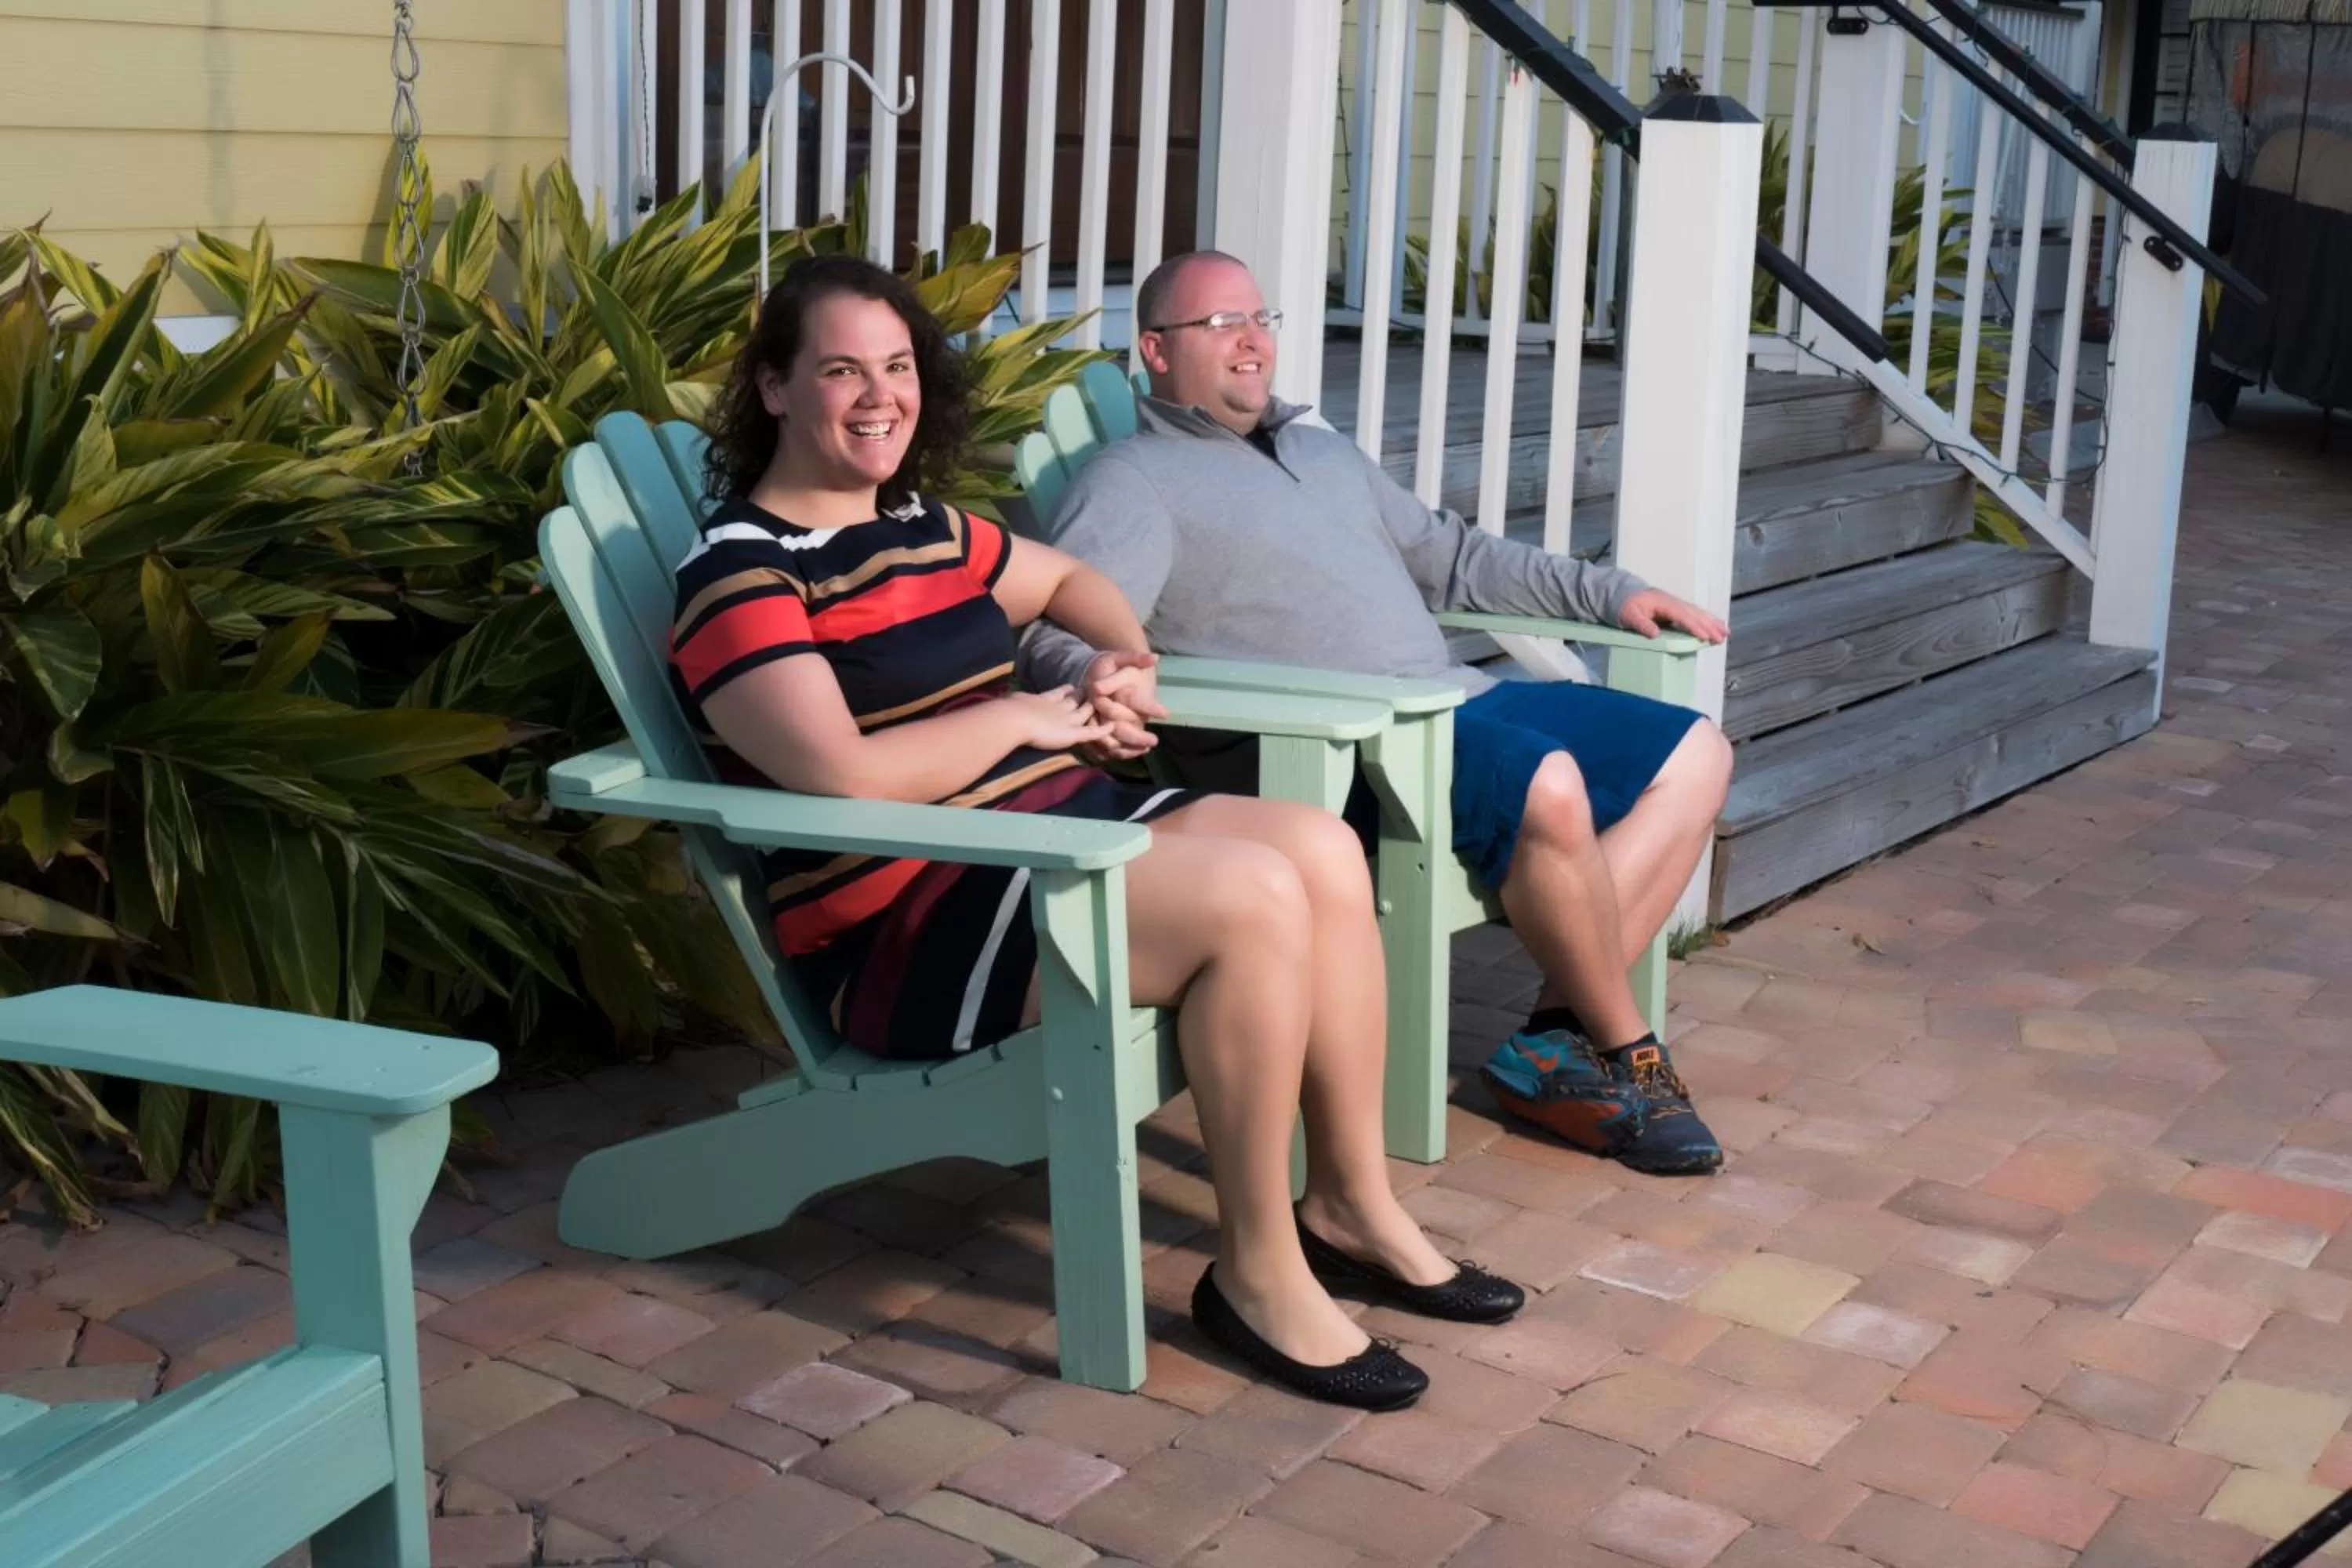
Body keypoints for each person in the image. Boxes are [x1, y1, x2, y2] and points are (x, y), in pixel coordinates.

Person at [675, 255, 1524, 1410]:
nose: (880, 395)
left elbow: (1072, 580)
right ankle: (1260, 1273)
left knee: (1322, 849)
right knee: (1254, 900)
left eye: (897, 366)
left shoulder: (921, 526)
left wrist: (1119, 668)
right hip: (907, 921)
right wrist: (1024, 714)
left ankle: (1350, 1201)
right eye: (840, 371)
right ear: (774, 389)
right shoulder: (743, 572)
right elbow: (842, 772)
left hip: (1039, 840)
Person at [1022, 251, 1737, 1177]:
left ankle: (1554, 1042)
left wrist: (1611, 594)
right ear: (1155, 351)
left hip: (1454, 700)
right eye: (1219, 325)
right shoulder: (1134, 479)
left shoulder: (1319, 448)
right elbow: (1058, 623)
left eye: (1259, 318)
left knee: (1698, 752)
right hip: (1349, 745)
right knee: (1551, 783)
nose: (1250, 341)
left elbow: (1452, 555)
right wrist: (1100, 672)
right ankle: (1630, 1048)